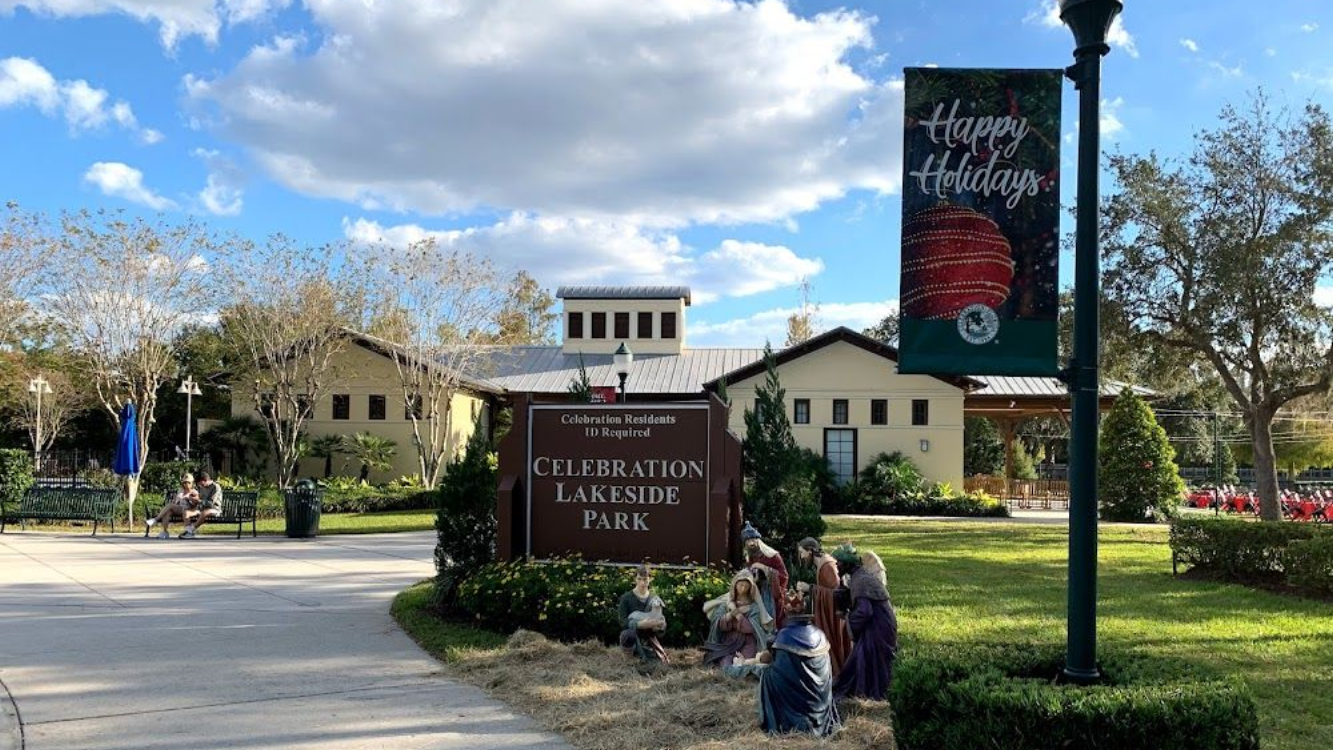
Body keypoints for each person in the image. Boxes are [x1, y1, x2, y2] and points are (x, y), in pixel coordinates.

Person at [758, 614, 841, 737]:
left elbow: (782, 673)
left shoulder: (784, 636)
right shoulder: (820, 635)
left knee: (767, 675)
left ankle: (781, 721)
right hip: (820, 702)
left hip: (798, 705)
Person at [833, 551, 899, 701]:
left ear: (847, 564)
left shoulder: (861, 580)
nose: (836, 566)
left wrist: (848, 619)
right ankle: (861, 693)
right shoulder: (859, 577)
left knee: (869, 658)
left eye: (839, 563)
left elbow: (865, 611)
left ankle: (873, 695)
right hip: (876, 623)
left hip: (879, 626)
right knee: (859, 657)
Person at [796, 538, 851, 676]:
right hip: (828, 615)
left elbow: (837, 594)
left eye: (802, 553)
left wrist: (810, 588)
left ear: (810, 551)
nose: (801, 557)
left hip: (835, 618)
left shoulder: (827, 566)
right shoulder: (822, 564)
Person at [702, 568, 773, 668]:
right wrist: (729, 615)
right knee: (726, 665)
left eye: (746, 586)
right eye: (740, 585)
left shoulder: (753, 607)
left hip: (747, 642)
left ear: (750, 588)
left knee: (743, 664)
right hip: (728, 642)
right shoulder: (726, 604)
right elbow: (718, 624)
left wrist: (736, 613)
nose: (743, 589)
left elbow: (751, 628)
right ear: (735, 586)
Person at [741, 522, 790, 629]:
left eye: (753, 540)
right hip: (757, 591)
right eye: (748, 541)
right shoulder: (750, 558)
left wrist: (764, 568)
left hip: (771, 593)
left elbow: (784, 575)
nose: (751, 543)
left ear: (759, 541)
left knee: (771, 617)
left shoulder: (773, 555)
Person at [617, 565, 668, 664]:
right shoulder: (626, 598)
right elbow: (622, 622)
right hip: (631, 635)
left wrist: (659, 627)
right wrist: (639, 624)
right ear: (635, 579)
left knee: (659, 662)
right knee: (627, 635)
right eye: (639, 579)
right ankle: (629, 656)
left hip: (647, 638)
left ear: (650, 579)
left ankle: (645, 654)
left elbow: (661, 625)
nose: (642, 582)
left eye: (645, 579)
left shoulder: (655, 599)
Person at [146, 474, 199, 539]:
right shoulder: (180, 490)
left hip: (188, 510)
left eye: (188, 482)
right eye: (185, 482)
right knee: (168, 511)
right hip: (179, 508)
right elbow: (176, 502)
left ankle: (156, 519)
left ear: (192, 483)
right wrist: (176, 500)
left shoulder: (194, 492)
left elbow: (195, 505)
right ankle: (164, 531)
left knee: (170, 506)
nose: (186, 484)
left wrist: (189, 499)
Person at [179, 472, 223, 539]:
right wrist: (191, 499)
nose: (200, 486)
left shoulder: (216, 487)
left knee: (205, 512)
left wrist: (198, 500)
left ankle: (190, 530)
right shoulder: (201, 487)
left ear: (205, 480)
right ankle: (189, 533)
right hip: (201, 509)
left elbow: (211, 504)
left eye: (200, 484)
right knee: (186, 512)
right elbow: (199, 499)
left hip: (214, 509)